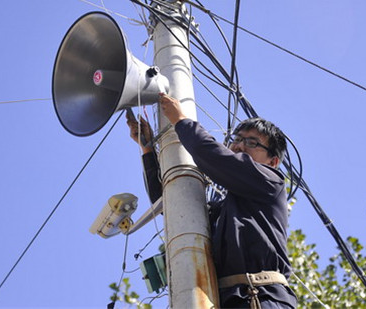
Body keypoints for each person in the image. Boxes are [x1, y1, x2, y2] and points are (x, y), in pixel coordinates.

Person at [127, 93, 297, 309]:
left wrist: (181, 120)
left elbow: (216, 157)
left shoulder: (271, 182)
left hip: (261, 298)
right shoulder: (224, 210)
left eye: (251, 142)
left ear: (273, 162)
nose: (238, 146)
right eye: (236, 139)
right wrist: (148, 149)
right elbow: (171, 203)